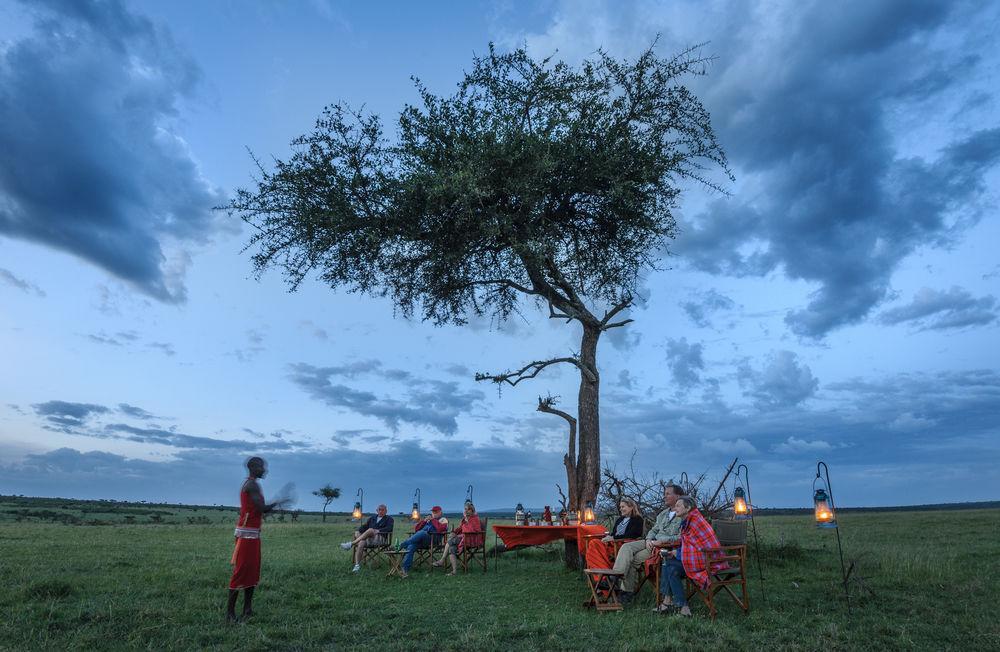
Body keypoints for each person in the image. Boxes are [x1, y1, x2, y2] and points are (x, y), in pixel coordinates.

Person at [226, 457, 288, 623]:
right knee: (241, 571)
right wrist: (279, 501)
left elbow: (259, 511)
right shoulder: (252, 485)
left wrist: (276, 505)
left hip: (252, 534)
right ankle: (230, 614)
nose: (265, 470)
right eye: (262, 467)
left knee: (252, 571)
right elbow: (262, 508)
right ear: (253, 467)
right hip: (246, 535)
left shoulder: (253, 484)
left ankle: (247, 609)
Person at [611, 484, 684, 604]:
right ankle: (615, 576)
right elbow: (654, 530)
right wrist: (649, 539)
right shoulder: (663, 514)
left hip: (665, 547)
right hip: (651, 542)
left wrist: (663, 541)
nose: (664, 497)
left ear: (678, 496)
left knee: (633, 560)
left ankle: (626, 592)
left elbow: (681, 537)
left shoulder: (683, 514)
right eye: (664, 494)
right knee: (626, 547)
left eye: (668, 494)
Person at [656, 495, 726, 617]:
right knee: (668, 563)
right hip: (702, 557)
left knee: (670, 566)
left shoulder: (695, 522)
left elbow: (700, 547)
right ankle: (677, 605)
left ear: (687, 508)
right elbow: (691, 545)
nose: (675, 508)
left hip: (710, 560)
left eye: (678, 506)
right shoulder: (689, 520)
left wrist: (677, 553)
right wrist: (676, 553)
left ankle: (677, 605)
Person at [584, 497, 644, 572]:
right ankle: (605, 573)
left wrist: (613, 538)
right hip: (613, 543)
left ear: (631, 507)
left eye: (623, 507)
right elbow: (613, 533)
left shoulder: (637, 519)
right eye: (620, 507)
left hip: (624, 545)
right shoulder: (620, 519)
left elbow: (633, 534)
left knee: (596, 549)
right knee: (594, 543)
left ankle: (604, 576)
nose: (621, 509)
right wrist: (608, 537)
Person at [340, 504, 394, 572]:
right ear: (377, 510)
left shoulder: (389, 519)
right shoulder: (372, 518)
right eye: (379, 509)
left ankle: (352, 544)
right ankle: (357, 566)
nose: (381, 511)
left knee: (371, 529)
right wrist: (359, 530)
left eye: (383, 510)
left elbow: (389, 528)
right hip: (369, 539)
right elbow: (364, 527)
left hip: (380, 539)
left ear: (386, 511)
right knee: (361, 542)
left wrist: (379, 530)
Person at [398, 506, 448, 578]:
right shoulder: (428, 520)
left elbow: (440, 529)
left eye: (436, 512)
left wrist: (433, 520)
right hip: (422, 540)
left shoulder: (443, 520)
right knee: (411, 546)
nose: (434, 513)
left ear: (441, 512)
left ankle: (401, 545)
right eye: (433, 512)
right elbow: (416, 529)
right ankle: (404, 569)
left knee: (422, 533)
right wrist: (424, 521)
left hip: (433, 540)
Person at [433, 502, 482, 576]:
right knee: (451, 548)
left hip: (472, 539)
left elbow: (471, 530)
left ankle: (442, 560)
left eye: (469, 509)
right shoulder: (465, 519)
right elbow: (460, 528)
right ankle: (454, 571)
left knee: (451, 541)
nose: (467, 511)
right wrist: (454, 532)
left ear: (472, 511)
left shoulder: (475, 518)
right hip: (464, 538)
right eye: (465, 509)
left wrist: (467, 521)